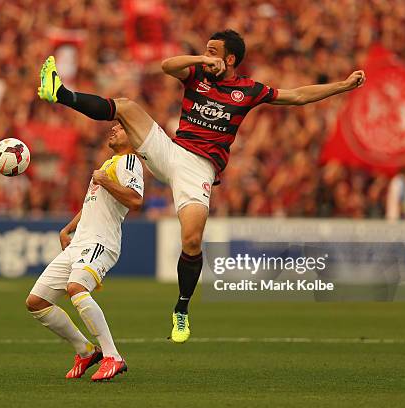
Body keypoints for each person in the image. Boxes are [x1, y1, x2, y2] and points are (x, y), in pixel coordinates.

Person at [37, 29, 366, 343]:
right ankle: (60, 93)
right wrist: (200, 59)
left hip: (198, 169)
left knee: (192, 239)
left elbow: (295, 96)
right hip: (171, 151)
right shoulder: (196, 75)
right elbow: (167, 66)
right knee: (125, 107)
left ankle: (181, 308)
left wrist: (343, 86)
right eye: (205, 51)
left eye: (213, 52)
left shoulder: (249, 90)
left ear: (231, 59)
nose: (207, 56)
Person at [25, 124, 144, 381]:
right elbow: (91, 205)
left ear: (133, 137)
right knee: (36, 302)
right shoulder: (109, 165)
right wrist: (68, 228)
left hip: (101, 242)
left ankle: (113, 356)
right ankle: (86, 350)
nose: (113, 129)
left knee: (77, 288)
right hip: (79, 242)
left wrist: (105, 180)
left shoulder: (130, 161)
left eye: (120, 128)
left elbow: (135, 199)